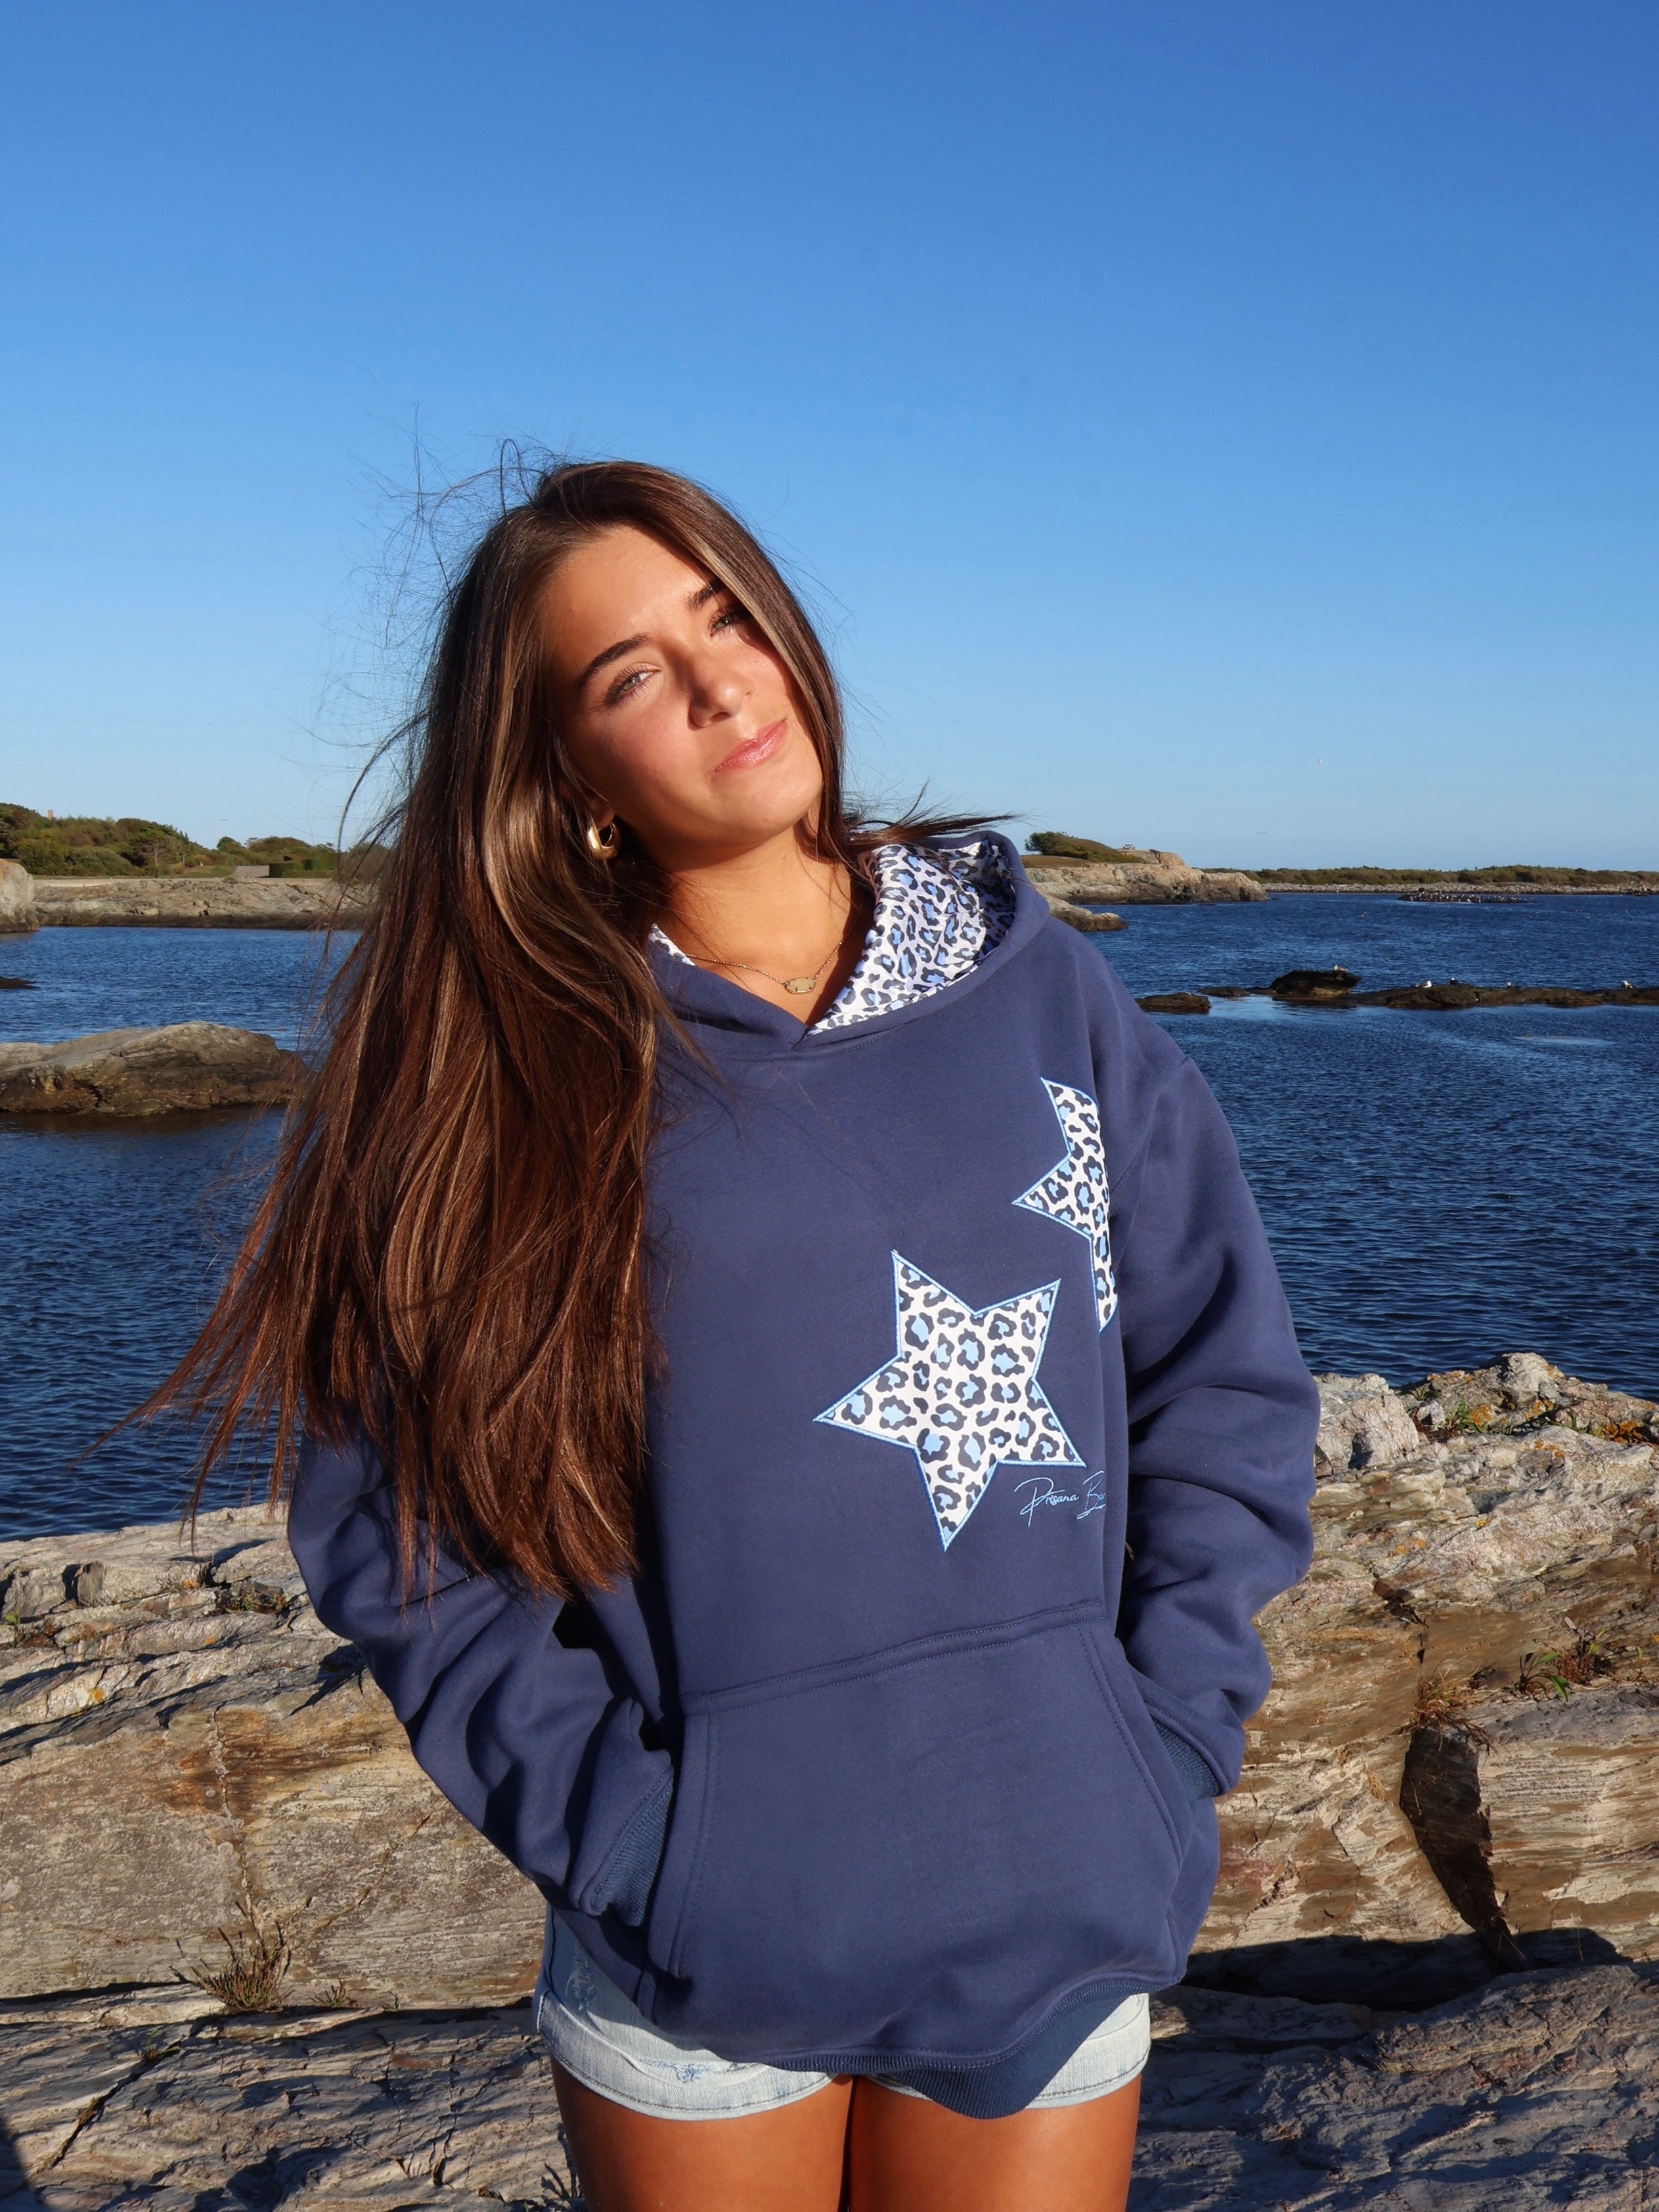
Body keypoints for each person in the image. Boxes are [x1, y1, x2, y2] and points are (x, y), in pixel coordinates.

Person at [162, 460, 1318, 2211]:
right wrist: (636, 1844)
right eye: (631, 674)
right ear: (568, 772)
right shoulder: (511, 1061)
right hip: (698, 1968)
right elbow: (389, 1507)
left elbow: (1221, 1378)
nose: (720, 685)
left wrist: (1159, 1750)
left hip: (1060, 1900)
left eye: (726, 616)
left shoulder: (1043, 988)